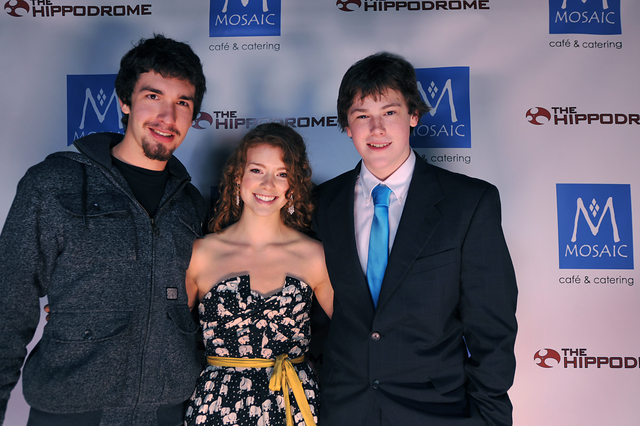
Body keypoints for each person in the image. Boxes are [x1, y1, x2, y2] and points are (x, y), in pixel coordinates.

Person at [0, 34, 207, 426]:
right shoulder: (54, 184)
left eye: (183, 103)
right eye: (153, 97)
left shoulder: (191, 205)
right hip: (70, 412)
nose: (168, 116)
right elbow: (7, 309)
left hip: (165, 414)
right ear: (125, 101)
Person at [312, 52, 518, 425]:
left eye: (389, 113)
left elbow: (492, 329)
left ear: (413, 116)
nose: (376, 129)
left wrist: (487, 418)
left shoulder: (469, 203)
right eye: (362, 116)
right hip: (343, 411)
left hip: (437, 411)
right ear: (347, 126)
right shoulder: (320, 204)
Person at [183, 123, 333, 426]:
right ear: (237, 177)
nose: (268, 184)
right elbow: (165, 337)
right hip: (215, 408)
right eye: (256, 170)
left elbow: (357, 331)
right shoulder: (199, 254)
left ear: (294, 185)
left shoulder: (316, 255)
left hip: (294, 405)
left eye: (282, 174)